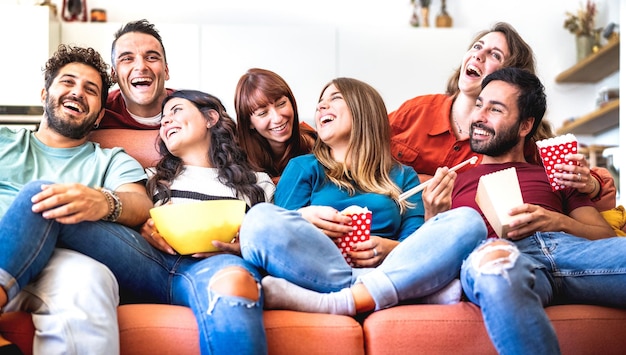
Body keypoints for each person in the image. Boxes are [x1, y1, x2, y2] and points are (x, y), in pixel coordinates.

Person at [1, 88, 275, 354]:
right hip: (146, 262)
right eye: (163, 119)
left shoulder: (257, 183)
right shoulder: (150, 176)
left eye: (176, 111)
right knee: (43, 195)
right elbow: (131, 211)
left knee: (235, 283)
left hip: (216, 265)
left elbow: (274, 244)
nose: (166, 120)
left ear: (210, 118)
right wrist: (141, 223)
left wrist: (244, 245)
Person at [238, 77, 486, 316]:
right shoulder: (303, 167)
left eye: (334, 98)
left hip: (387, 265)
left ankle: (340, 299)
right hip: (317, 265)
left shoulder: (402, 176)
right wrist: (301, 217)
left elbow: (416, 244)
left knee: (468, 221)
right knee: (259, 219)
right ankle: (401, 290)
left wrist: (393, 248)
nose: (321, 105)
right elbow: (281, 234)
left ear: (363, 110)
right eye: (320, 101)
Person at [449, 67, 625, 354]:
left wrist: (557, 221)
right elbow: (437, 251)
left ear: (524, 126)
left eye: (495, 109)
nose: (478, 117)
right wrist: (434, 211)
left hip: (569, 250)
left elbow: (604, 237)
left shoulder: (555, 174)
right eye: (479, 105)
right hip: (501, 254)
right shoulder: (454, 179)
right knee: (495, 268)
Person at [0, 45, 152, 355]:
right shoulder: (5, 141)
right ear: (44, 94)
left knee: (91, 279)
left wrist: (104, 201)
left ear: (98, 116)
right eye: (68, 82)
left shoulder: (111, 161)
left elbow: (141, 205)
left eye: (90, 89)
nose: (77, 92)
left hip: (61, 261)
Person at [388, 22, 610, 210]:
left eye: (494, 54)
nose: (478, 54)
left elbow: (598, 187)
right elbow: (360, 152)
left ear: (509, 77)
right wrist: (414, 182)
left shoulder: (516, 142)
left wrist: (592, 184)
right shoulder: (416, 111)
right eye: (477, 46)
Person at [234, 68, 316, 184]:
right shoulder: (235, 156)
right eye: (263, 113)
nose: (277, 118)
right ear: (249, 123)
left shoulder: (314, 142)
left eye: (281, 104)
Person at [99, 19, 175, 129]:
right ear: (114, 74)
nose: (141, 67)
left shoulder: (193, 109)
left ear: (166, 71)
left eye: (152, 58)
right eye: (127, 59)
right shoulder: (99, 112)